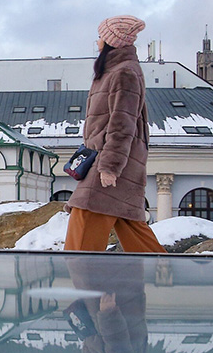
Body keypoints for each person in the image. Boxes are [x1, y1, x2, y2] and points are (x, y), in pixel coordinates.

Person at [64, 16, 165, 253]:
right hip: (117, 165)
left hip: (111, 166)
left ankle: (87, 289)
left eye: (101, 36)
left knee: (83, 226)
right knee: (134, 233)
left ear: (112, 41)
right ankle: (163, 281)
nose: (97, 41)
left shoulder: (124, 72)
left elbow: (122, 124)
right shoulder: (116, 70)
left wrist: (110, 167)